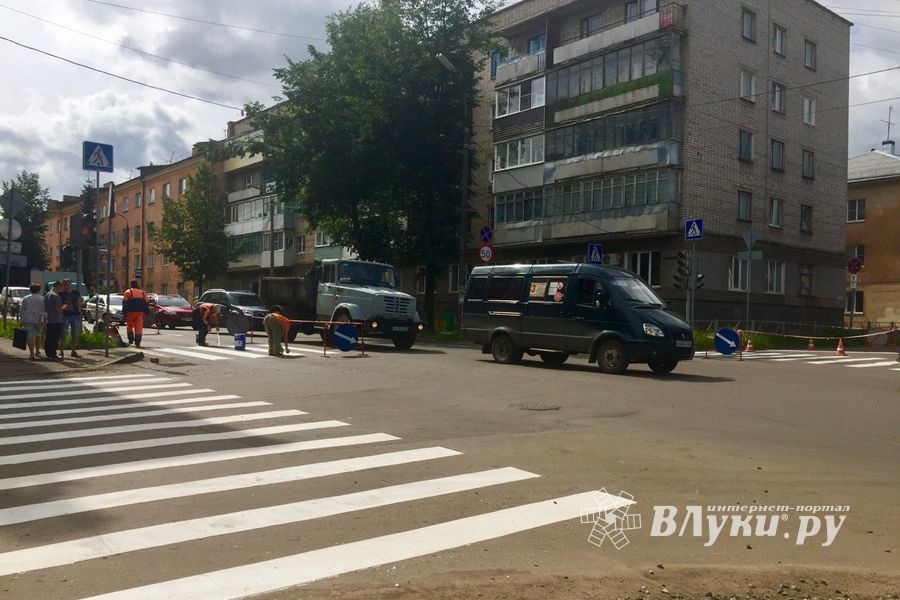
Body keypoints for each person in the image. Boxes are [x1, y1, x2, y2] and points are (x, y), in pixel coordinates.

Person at [18, 283, 46, 361]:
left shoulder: (26, 298)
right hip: (39, 320)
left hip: (28, 319)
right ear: (39, 290)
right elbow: (44, 310)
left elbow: (22, 310)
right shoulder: (42, 299)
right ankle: (37, 351)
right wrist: (44, 320)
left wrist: (21, 319)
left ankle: (32, 354)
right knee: (38, 335)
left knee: (31, 337)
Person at [59, 278, 83, 358]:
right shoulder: (61, 294)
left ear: (70, 284)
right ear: (63, 286)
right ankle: (61, 351)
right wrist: (62, 307)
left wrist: (80, 303)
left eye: (68, 284)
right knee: (63, 333)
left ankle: (73, 351)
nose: (67, 286)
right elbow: (58, 304)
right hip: (65, 315)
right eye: (65, 285)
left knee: (75, 334)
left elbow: (81, 300)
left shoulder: (76, 293)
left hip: (75, 315)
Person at [122, 279, 150, 347]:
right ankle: (138, 342)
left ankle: (131, 340)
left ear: (131, 285)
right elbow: (147, 303)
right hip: (140, 312)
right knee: (139, 327)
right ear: (137, 284)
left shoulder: (128, 292)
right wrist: (146, 313)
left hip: (130, 312)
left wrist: (124, 313)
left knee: (129, 326)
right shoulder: (143, 293)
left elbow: (125, 304)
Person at [43, 280, 65, 361]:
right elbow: (58, 310)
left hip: (49, 319)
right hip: (56, 319)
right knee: (55, 338)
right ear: (57, 286)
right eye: (60, 287)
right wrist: (64, 307)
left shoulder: (47, 294)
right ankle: (53, 354)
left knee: (49, 337)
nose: (61, 289)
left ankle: (48, 353)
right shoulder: (55, 296)